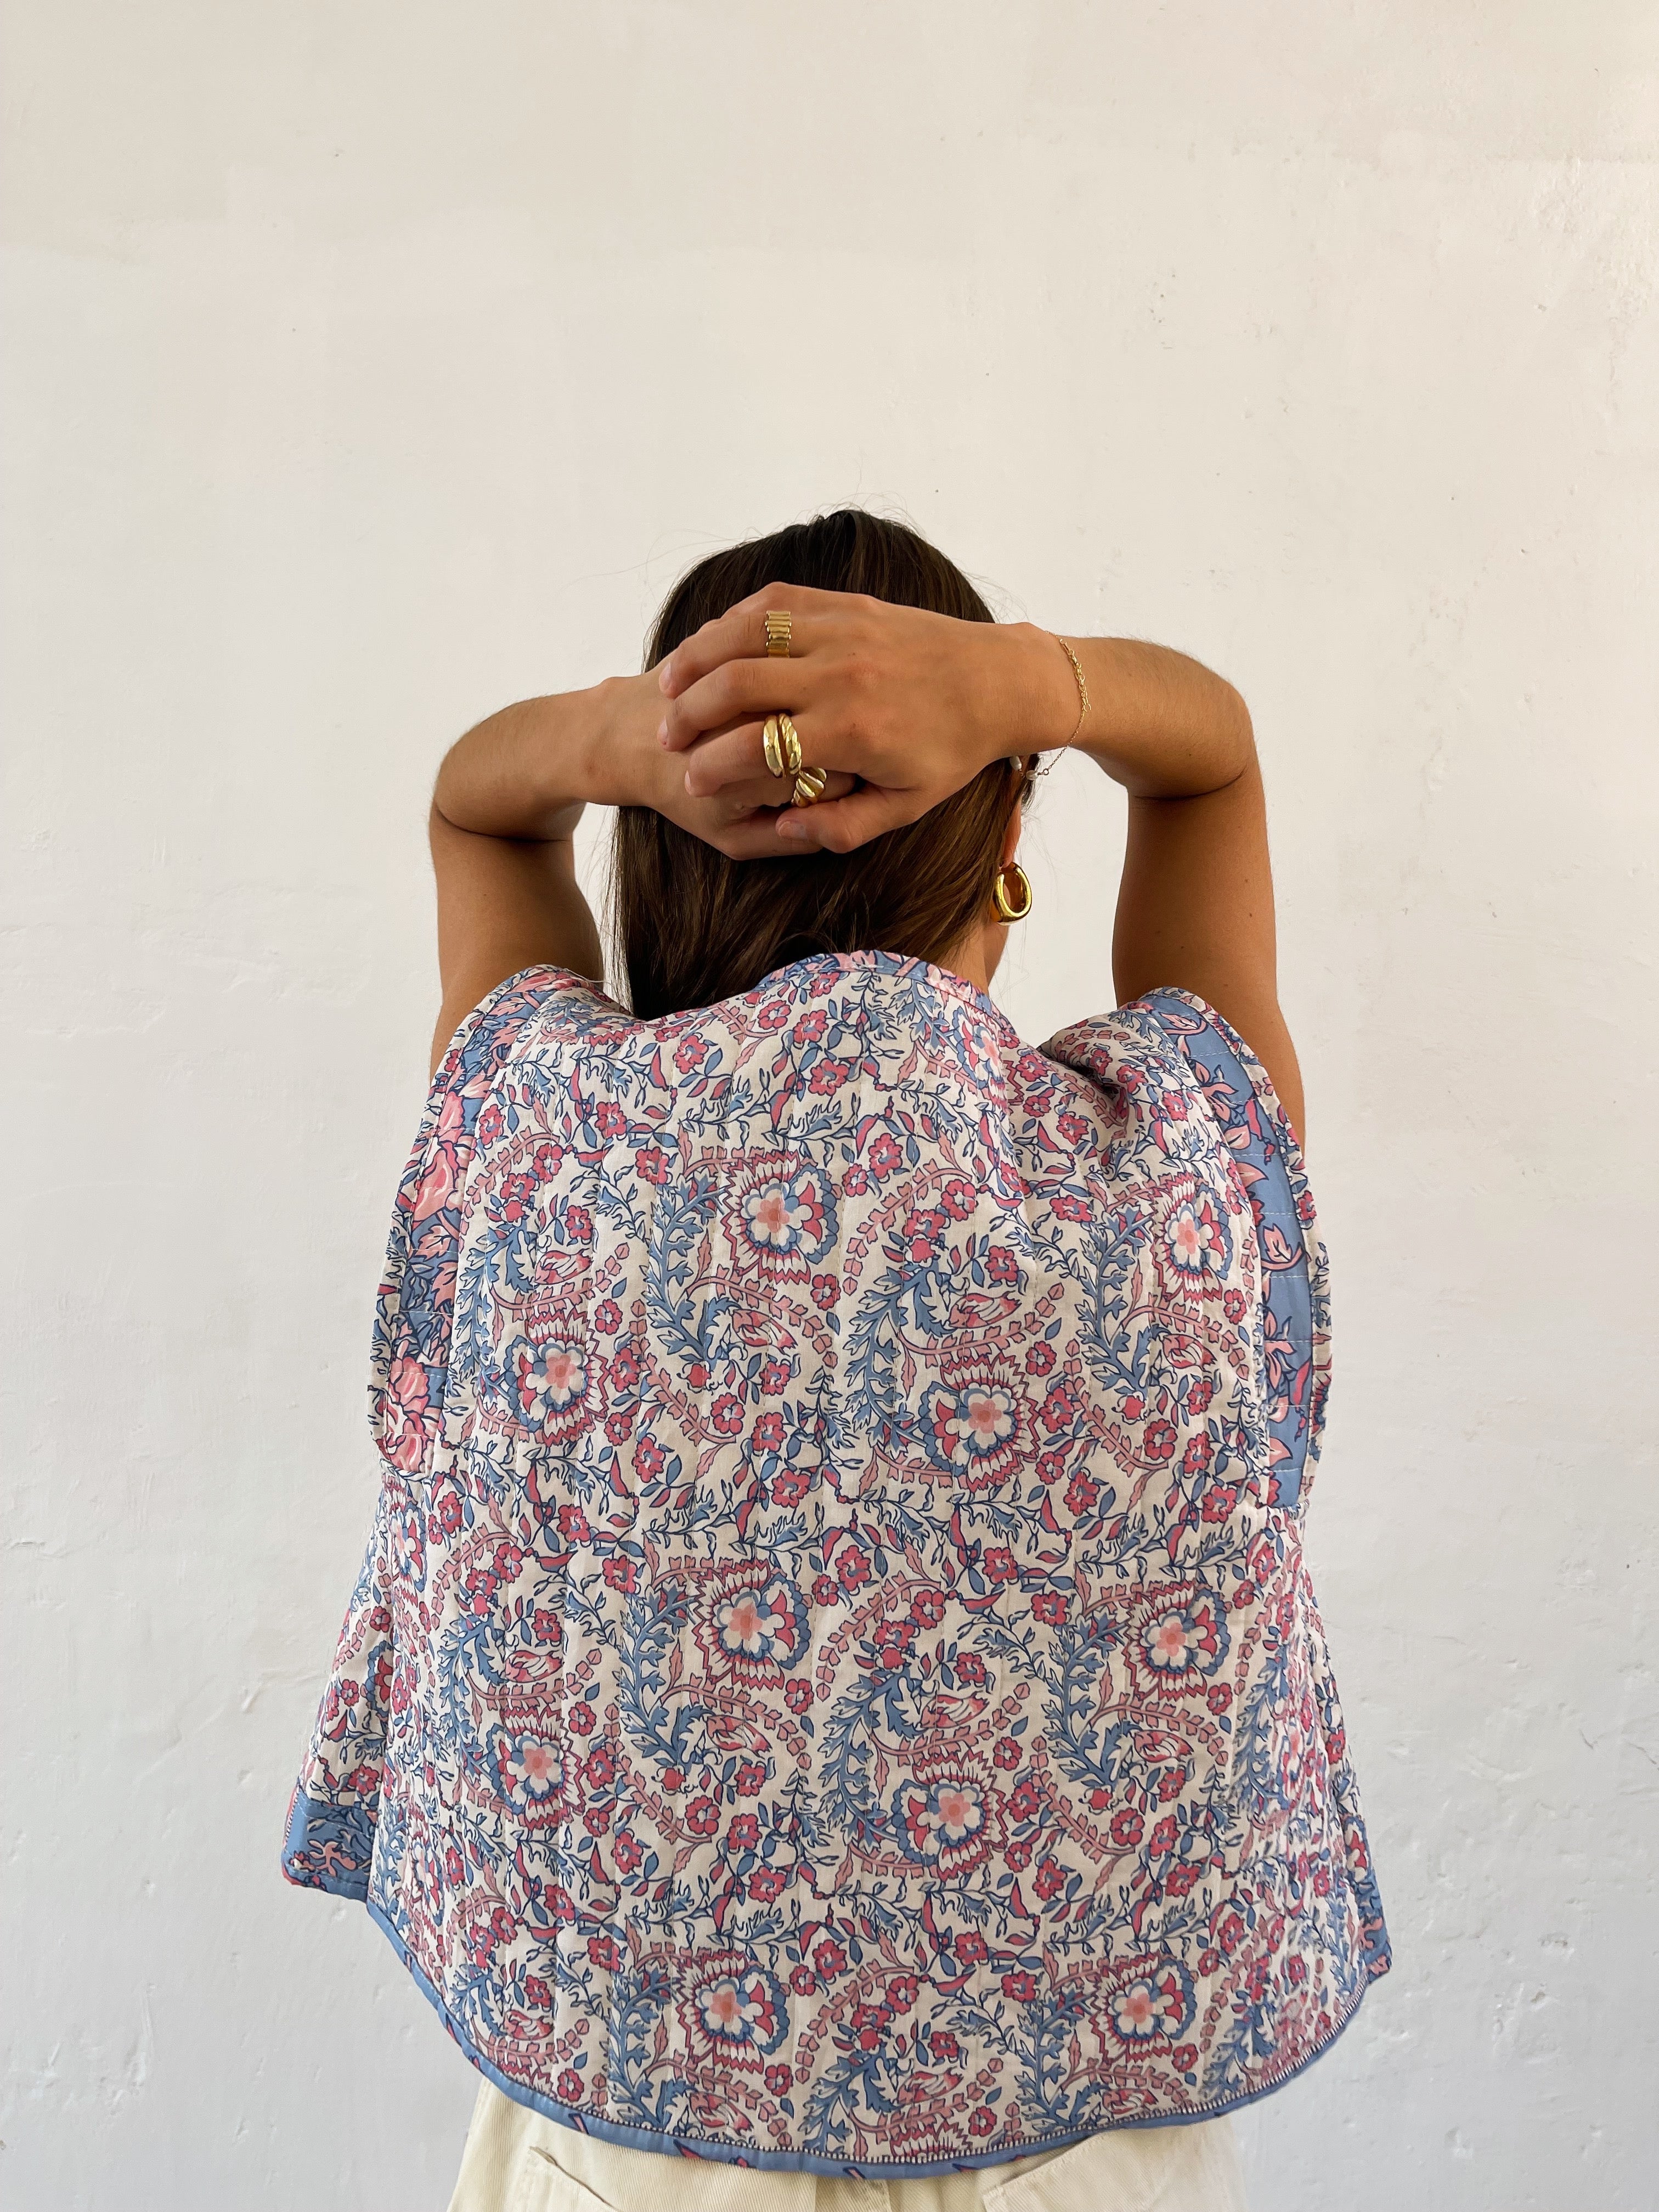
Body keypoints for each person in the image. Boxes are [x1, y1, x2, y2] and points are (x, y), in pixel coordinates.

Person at [281, 510, 1389, 2212]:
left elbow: (473, 803)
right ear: (1012, 826)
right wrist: (1037, 686)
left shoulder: (532, 1134)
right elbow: (1211, 767)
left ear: (652, 836)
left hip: (633, 2161)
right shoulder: (1178, 1170)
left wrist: (618, 735)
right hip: (1082, 2159)